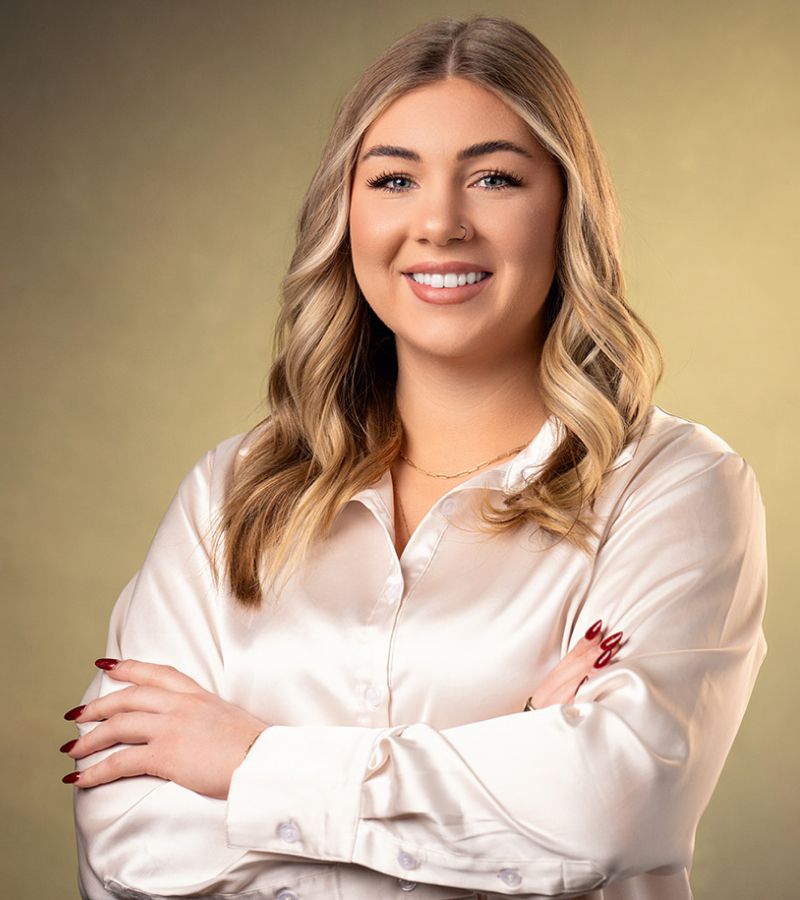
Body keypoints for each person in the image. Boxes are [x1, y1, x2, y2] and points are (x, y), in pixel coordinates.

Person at [61, 15, 768, 900]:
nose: (439, 223)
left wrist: (248, 760)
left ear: (566, 208)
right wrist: (508, 755)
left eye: (495, 178)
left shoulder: (676, 486)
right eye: (394, 178)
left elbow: (617, 811)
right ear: (347, 211)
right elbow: (132, 845)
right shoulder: (229, 491)